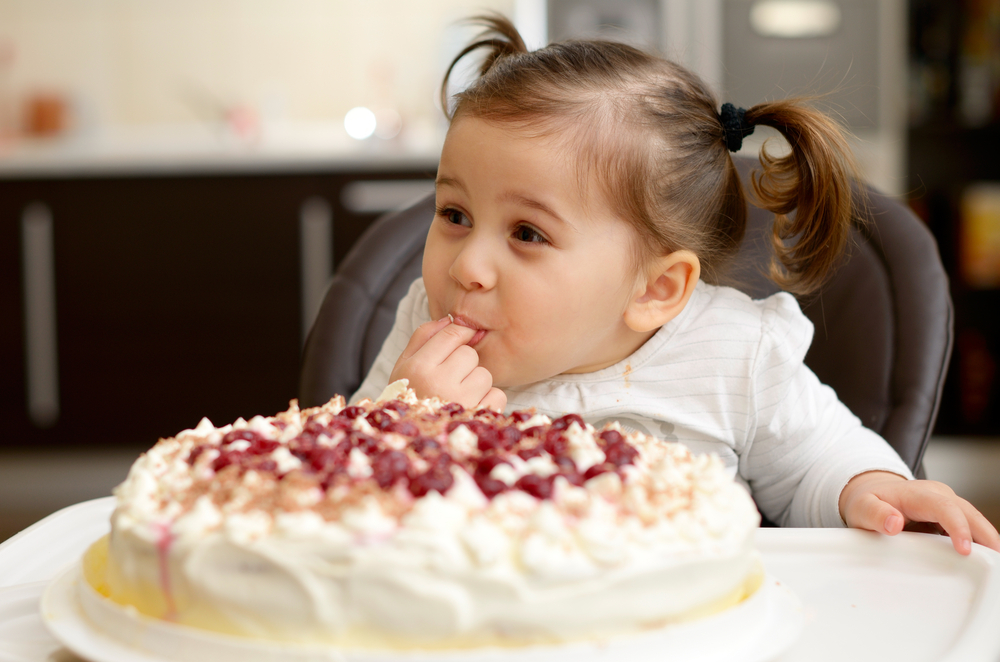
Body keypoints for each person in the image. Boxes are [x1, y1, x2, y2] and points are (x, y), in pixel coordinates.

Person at [352, 15, 1000, 555]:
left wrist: (868, 488)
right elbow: (334, 497)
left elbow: (817, 459)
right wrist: (406, 424)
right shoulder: (425, 336)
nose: (468, 267)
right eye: (455, 216)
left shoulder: (733, 354)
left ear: (656, 290)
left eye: (527, 234)